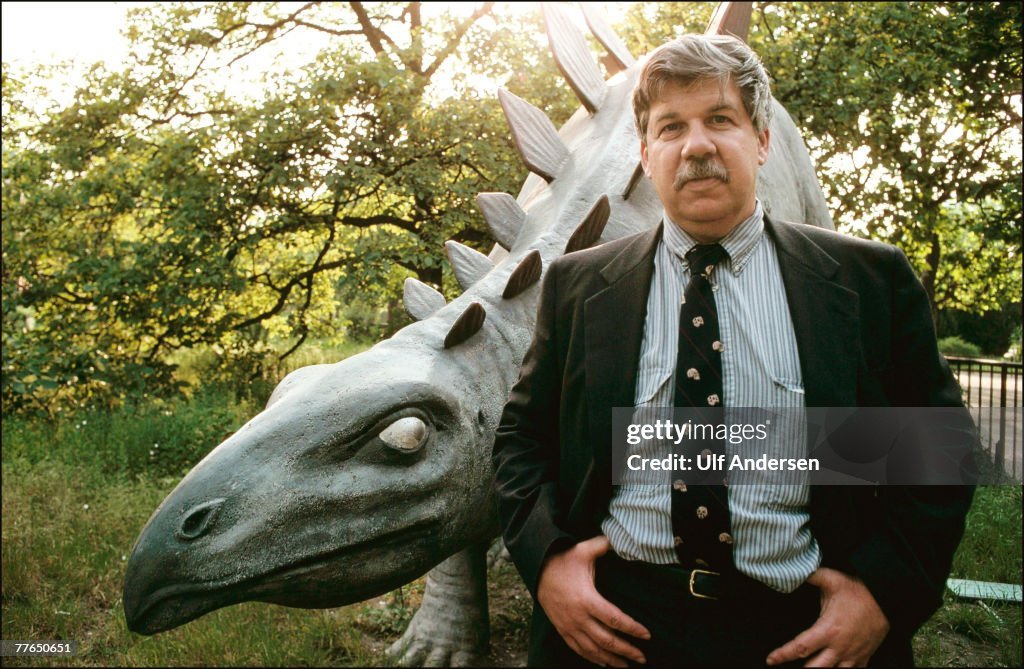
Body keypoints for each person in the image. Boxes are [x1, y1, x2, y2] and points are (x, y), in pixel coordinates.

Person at [492, 33, 974, 668]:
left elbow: (936, 452)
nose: (696, 145)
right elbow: (522, 442)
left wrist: (882, 592)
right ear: (646, 151)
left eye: (721, 119)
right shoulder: (578, 286)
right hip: (618, 630)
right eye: (671, 128)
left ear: (763, 139)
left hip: (803, 631)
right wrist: (550, 562)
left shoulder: (867, 281)